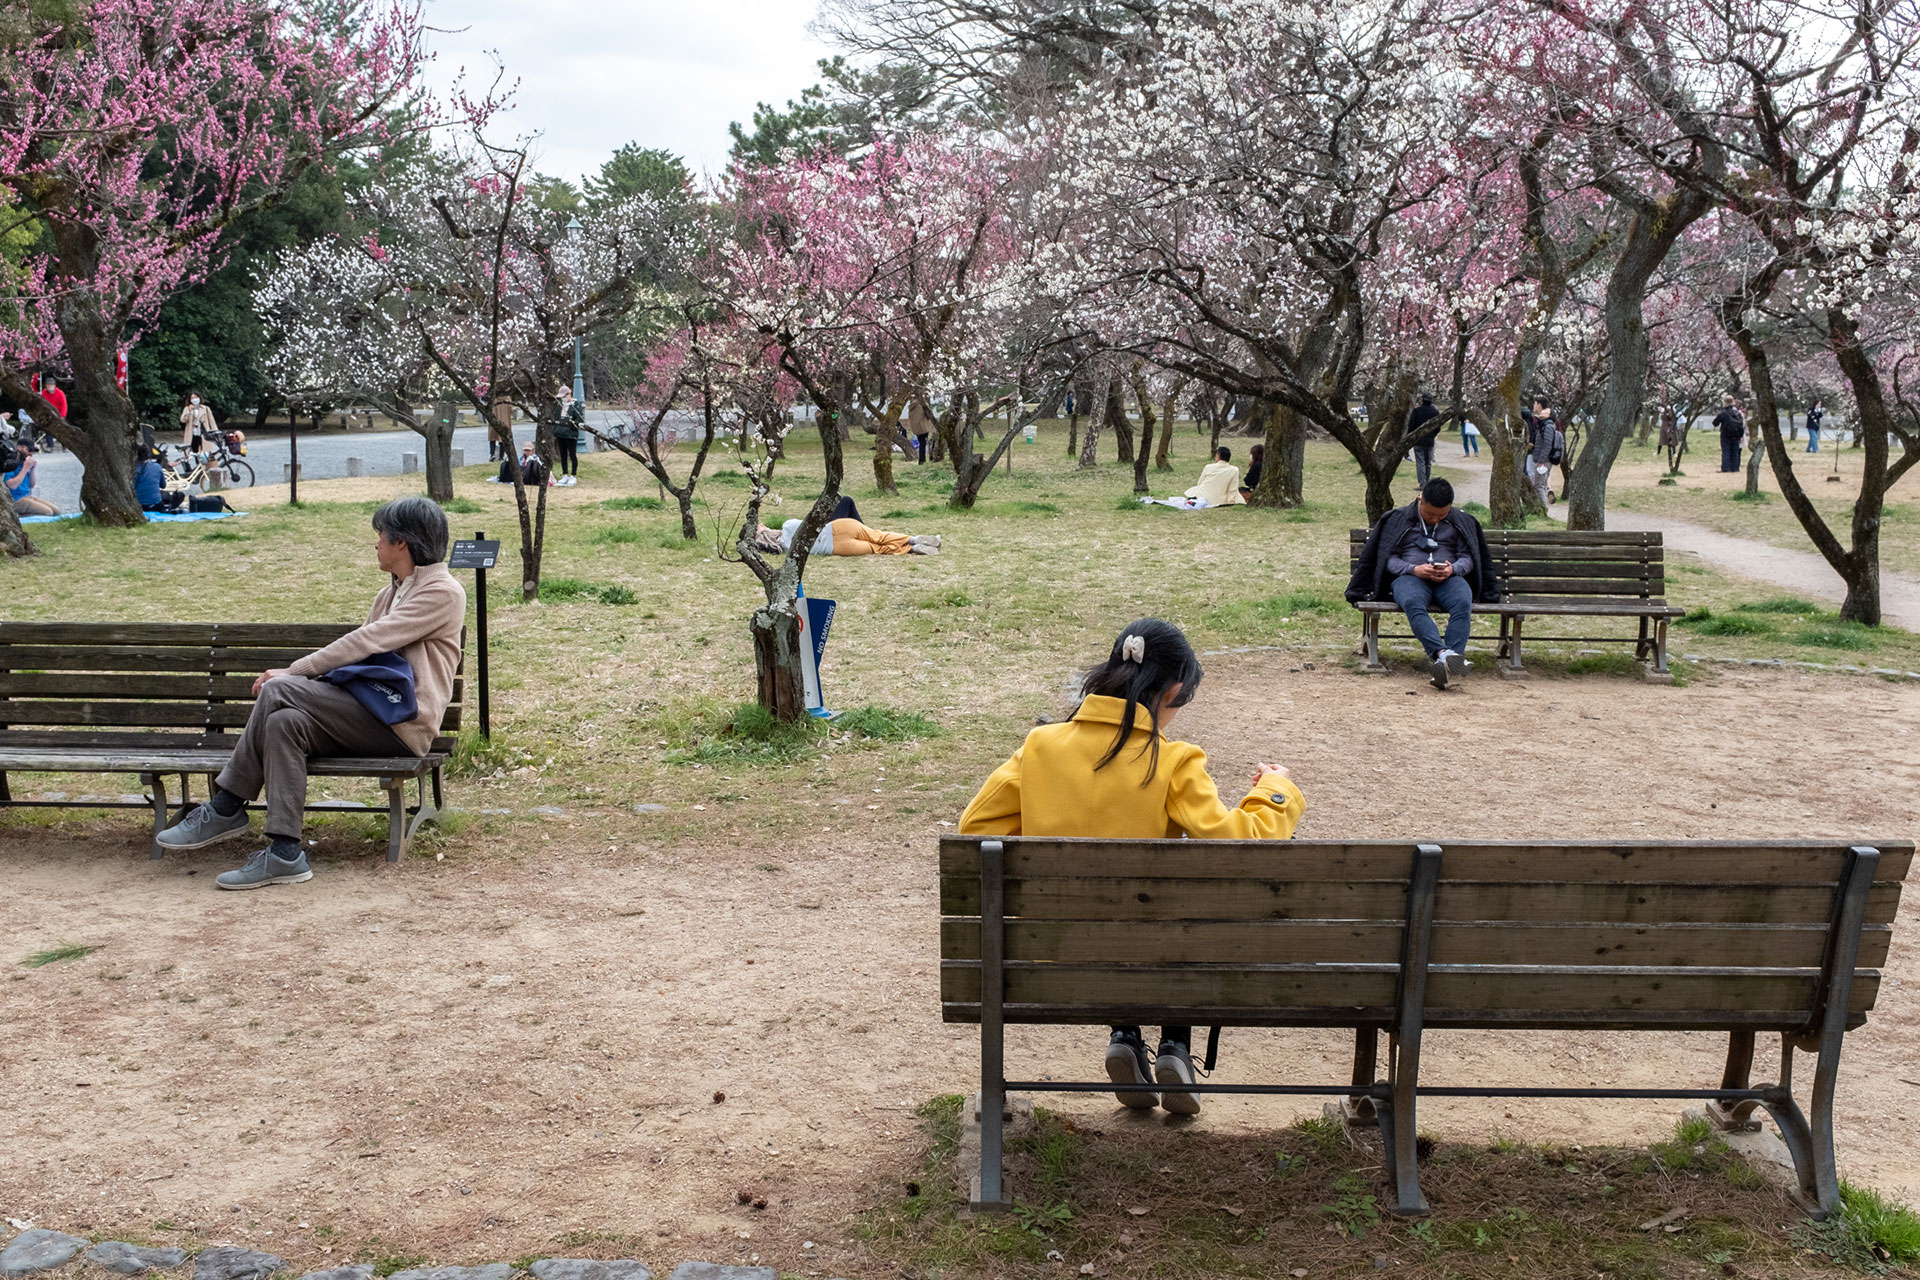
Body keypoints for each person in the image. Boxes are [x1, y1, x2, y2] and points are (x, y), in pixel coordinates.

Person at [958, 619, 1304, 1113]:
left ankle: (1124, 1033)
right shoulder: (1173, 760)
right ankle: (1175, 1046)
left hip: (1053, 949)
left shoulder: (1040, 748)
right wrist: (1275, 791)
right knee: (1179, 917)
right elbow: (1239, 845)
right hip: (1153, 947)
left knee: (1111, 920)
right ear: (1175, 691)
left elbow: (975, 830)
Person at [156, 497, 468, 889]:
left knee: (278, 689)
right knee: (284, 722)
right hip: (367, 713)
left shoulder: (443, 592)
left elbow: (368, 641)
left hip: (403, 725)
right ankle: (286, 853)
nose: (375, 543)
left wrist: (294, 672)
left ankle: (226, 805)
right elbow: (361, 660)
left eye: (380, 535)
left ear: (401, 543)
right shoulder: (390, 593)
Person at [1345, 478, 1497, 690]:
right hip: (1409, 577)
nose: (1435, 519)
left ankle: (1446, 662)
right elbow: (1387, 558)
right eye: (1429, 514)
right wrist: (1412, 569)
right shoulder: (1397, 519)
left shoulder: (1462, 521)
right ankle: (1444, 655)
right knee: (1413, 602)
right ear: (1420, 500)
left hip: (1450, 578)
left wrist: (1453, 568)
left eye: (1442, 515)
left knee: (1463, 601)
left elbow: (1469, 557)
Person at [776, 513, 940, 556]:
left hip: (835, 547)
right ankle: (913, 539)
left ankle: (913, 549)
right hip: (838, 527)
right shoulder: (788, 524)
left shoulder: (787, 547)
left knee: (876, 548)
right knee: (878, 536)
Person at [3, 442, 58, 516]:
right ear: (19, 447)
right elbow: (12, 485)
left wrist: (32, 469)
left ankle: (22, 514)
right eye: (29, 450)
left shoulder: (24, 463)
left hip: (27, 496)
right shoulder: (10, 463)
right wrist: (25, 468)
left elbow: (31, 485)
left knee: (56, 511)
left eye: (32, 451)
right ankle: (17, 516)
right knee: (48, 512)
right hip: (15, 499)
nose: (31, 453)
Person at [1521, 398, 1558, 505]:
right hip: (1539, 458)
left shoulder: (1548, 426)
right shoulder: (1543, 424)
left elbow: (1547, 445)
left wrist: (1541, 461)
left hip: (1543, 460)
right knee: (1538, 483)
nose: (1544, 411)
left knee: (1539, 485)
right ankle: (1539, 505)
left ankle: (1543, 508)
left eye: (1547, 411)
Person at [1406, 394, 1441, 486]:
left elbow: (1411, 426)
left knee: (1420, 462)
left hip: (1418, 440)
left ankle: (1422, 483)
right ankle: (1427, 481)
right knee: (1428, 462)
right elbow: (1438, 427)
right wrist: (1433, 434)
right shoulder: (1435, 412)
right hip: (1429, 440)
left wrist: (1411, 436)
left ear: (1422, 400)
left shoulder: (1417, 411)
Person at [554, 387, 584, 486]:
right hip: (560, 433)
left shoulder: (575, 405)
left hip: (570, 435)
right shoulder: (559, 405)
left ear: (569, 394)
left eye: (564, 396)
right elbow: (557, 417)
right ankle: (565, 474)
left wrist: (572, 425)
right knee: (563, 455)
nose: (563, 399)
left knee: (572, 455)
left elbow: (579, 419)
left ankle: (573, 475)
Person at [180, 391, 217, 460]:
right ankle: (198, 467)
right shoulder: (187, 408)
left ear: (199, 398)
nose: (195, 399)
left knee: (205, 453)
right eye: (192, 398)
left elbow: (212, 422)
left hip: (204, 433)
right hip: (192, 433)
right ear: (190, 400)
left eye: (196, 397)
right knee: (195, 452)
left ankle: (205, 467)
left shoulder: (206, 408)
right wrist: (189, 411)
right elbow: (183, 420)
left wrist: (215, 432)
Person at [133, 447, 172, 512]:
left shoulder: (133, 469)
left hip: (139, 504)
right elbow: (163, 485)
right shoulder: (157, 466)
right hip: (155, 503)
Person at [1714, 394, 1745, 472]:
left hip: (1725, 435)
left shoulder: (1723, 413)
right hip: (1736, 435)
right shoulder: (1737, 413)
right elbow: (1741, 423)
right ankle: (1735, 468)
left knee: (1726, 451)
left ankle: (1726, 468)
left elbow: (1715, 423)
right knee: (1735, 452)